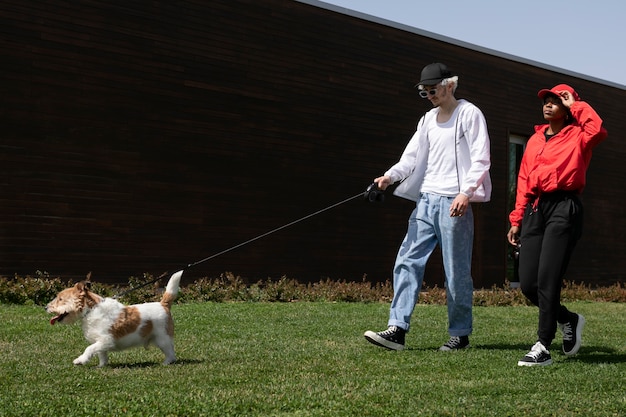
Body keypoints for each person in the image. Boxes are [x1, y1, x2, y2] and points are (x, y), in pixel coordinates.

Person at [364, 63, 492, 351]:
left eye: (433, 90)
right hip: (426, 200)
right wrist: (389, 177)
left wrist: (466, 193)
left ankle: (460, 334)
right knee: (407, 259)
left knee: (456, 270)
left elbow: (481, 158)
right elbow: (410, 158)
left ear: (450, 85)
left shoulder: (469, 114)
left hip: (454, 203)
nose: (429, 95)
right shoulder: (427, 120)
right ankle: (397, 329)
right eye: (425, 92)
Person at [507, 84, 607, 366]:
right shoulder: (536, 140)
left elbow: (597, 129)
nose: (549, 105)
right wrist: (517, 219)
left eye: (557, 100)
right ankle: (569, 319)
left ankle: (542, 345)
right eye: (546, 101)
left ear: (567, 107)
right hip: (536, 209)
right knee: (528, 284)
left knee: (548, 280)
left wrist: (576, 103)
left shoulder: (579, 135)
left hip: (565, 207)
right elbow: (524, 180)